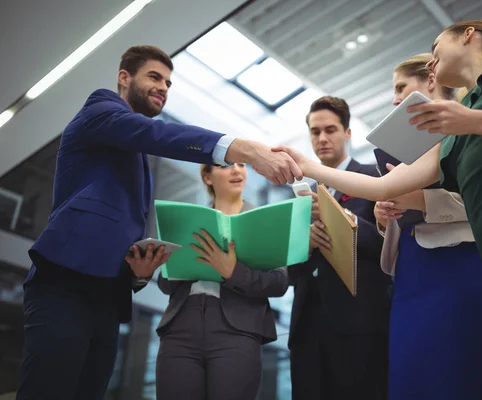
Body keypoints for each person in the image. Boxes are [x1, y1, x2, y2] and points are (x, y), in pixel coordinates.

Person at [274, 20, 482, 399]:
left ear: (468, 33)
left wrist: (468, 119)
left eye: (435, 46)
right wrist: (304, 165)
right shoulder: (450, 130)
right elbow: (381, 187)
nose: (431, 60)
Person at [17, 45, 302, 400]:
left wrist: (139, 272)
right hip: (65, 283)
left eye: (168, 82)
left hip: (108, 294)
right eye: (154, 77)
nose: (164, 87)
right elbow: (160, 135)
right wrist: (247, 149)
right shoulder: (101, 109)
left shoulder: (134, 153)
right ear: (124, 78)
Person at [375, 53, 482, 399]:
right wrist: (384, 213)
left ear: (430, 81)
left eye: (401, 87)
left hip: (461, 265)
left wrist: (419, 200)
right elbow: (402, 212)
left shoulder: (470, 124)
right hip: (411, 272)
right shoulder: (400, 139)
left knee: (466, 371)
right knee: (412, 375)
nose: (394, 99)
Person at [155, 162, 288, 400]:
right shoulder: (187, 221)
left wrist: (232, 271)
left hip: (237, 330)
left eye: (241, 164)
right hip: (180, 328)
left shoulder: (264, 220)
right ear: (207, 177)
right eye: (225, 165)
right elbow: (165, 283)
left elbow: (279, 282)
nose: (237, 170)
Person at [288, 96, 390, 400]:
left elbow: (385, 243)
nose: (322, 138)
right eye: (315, 131)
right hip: (307, 325)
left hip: (360, 322)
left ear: (347, 133)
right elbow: (290, 271)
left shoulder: (375, 178)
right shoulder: (301, 197)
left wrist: (340, 217)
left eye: (330, 130)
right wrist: (302, 246)